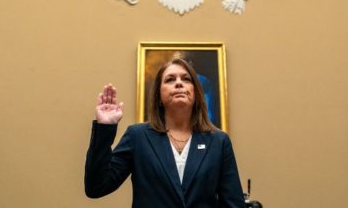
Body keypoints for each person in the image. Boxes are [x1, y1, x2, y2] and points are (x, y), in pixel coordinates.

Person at [84, 58, 246, 207]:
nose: (179, 83)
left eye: (186, 79)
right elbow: (96, 187)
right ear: (158, 96)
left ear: (196, 93)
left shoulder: (218, 141)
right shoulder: (138, 136)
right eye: (170, 79)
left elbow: (233, 204)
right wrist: (104, 128)